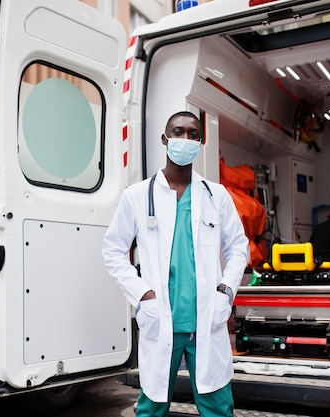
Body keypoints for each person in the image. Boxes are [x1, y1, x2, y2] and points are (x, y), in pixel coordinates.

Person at [102, 111, 250, 417]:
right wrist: (142, 294)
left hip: (206, 320)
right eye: (178, 132)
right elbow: (113, 250)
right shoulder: (137, 196)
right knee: (152, 407)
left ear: (200, 141)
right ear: (164, 139)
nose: (185, 140)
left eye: (193, 134)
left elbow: (239, 247)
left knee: (218, 407)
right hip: (161, 319)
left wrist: (226, 290)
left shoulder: (216, 195)